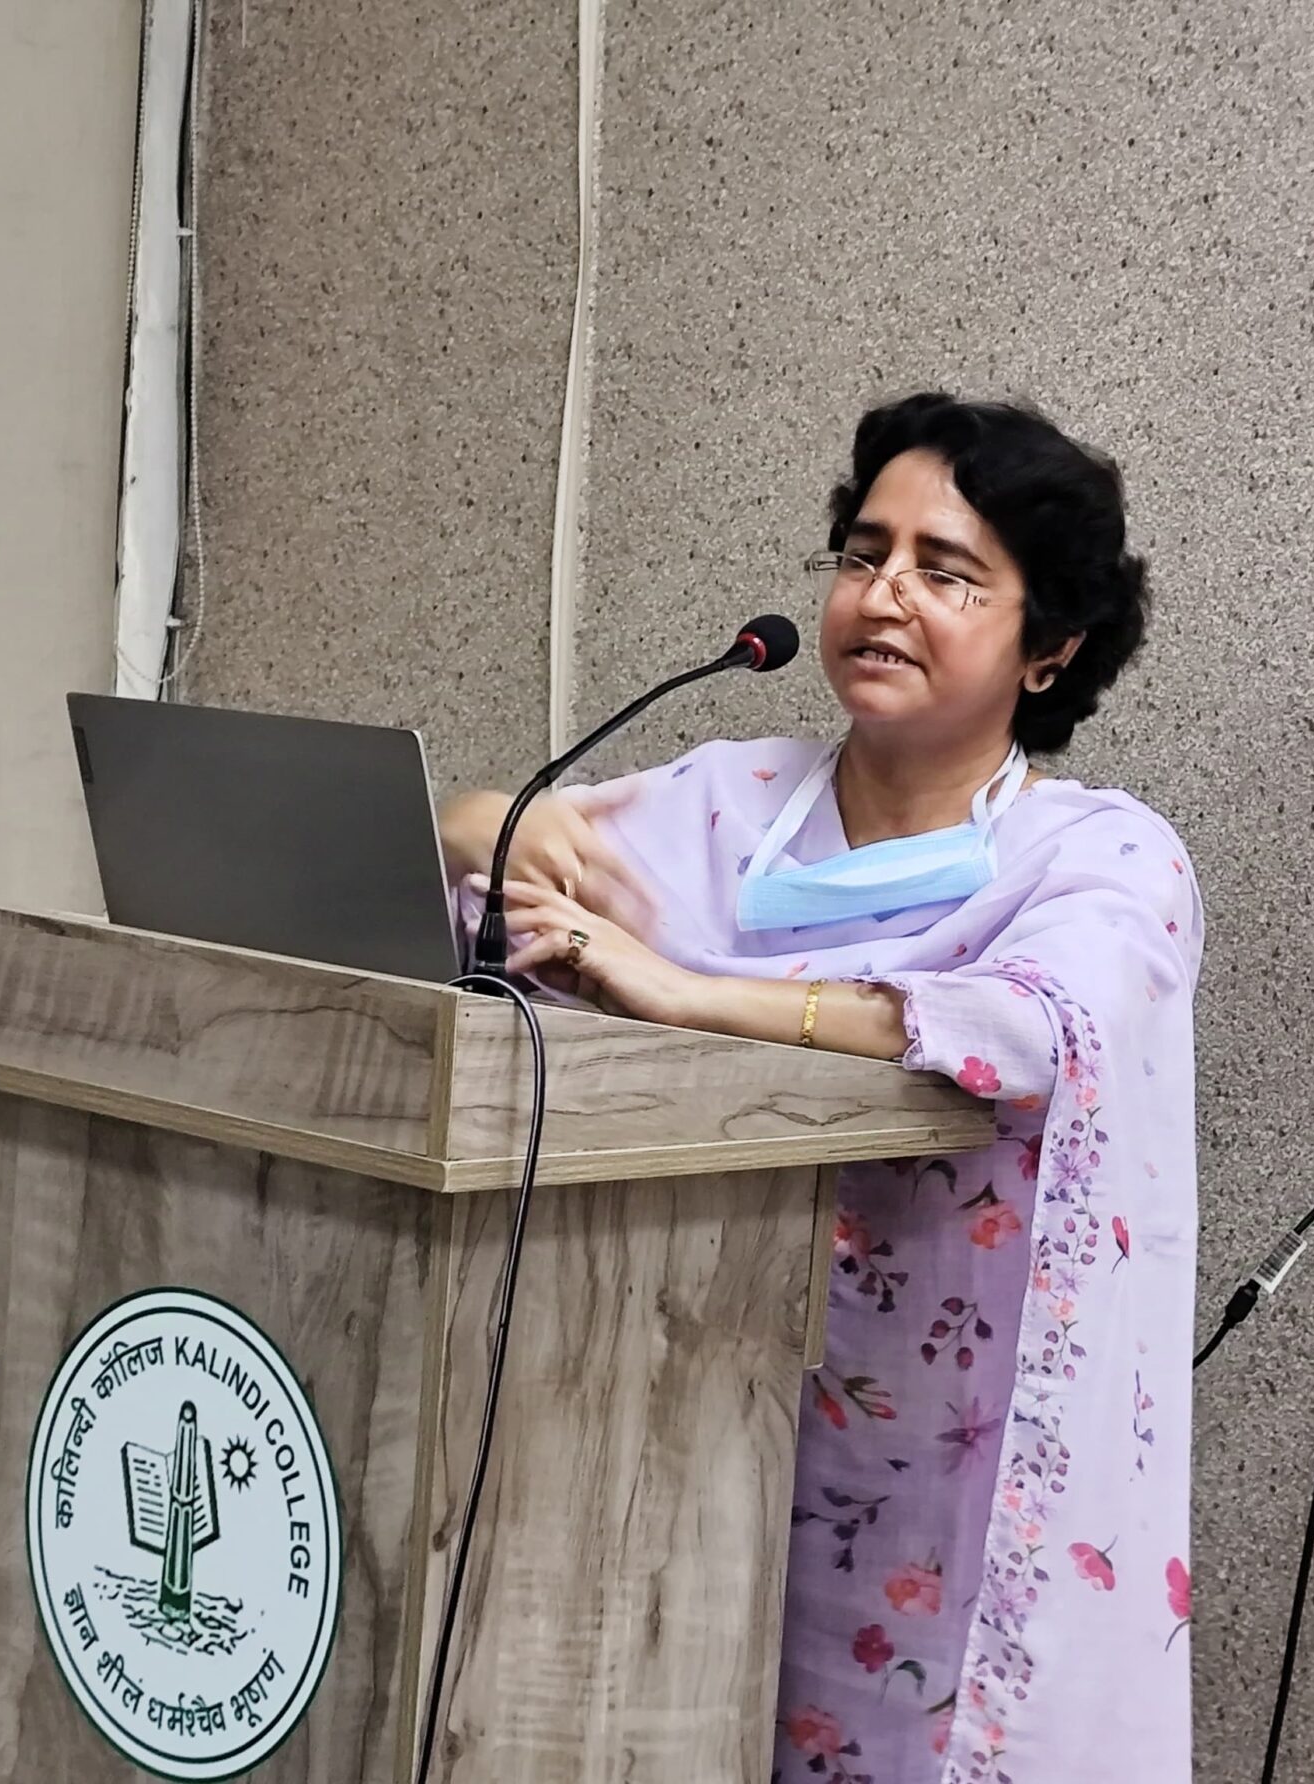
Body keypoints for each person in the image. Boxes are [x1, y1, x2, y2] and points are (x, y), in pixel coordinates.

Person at [439, 392, 1201, 1783]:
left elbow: (1031, 1028)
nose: (884, 593)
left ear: (1051, 649)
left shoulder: (1098, 857)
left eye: (946, 571)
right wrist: (487, 818)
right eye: (864, 554)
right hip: (676, 1407)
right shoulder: (727, 799)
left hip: (941, 1467)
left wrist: (690, 994)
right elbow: (498, 890)